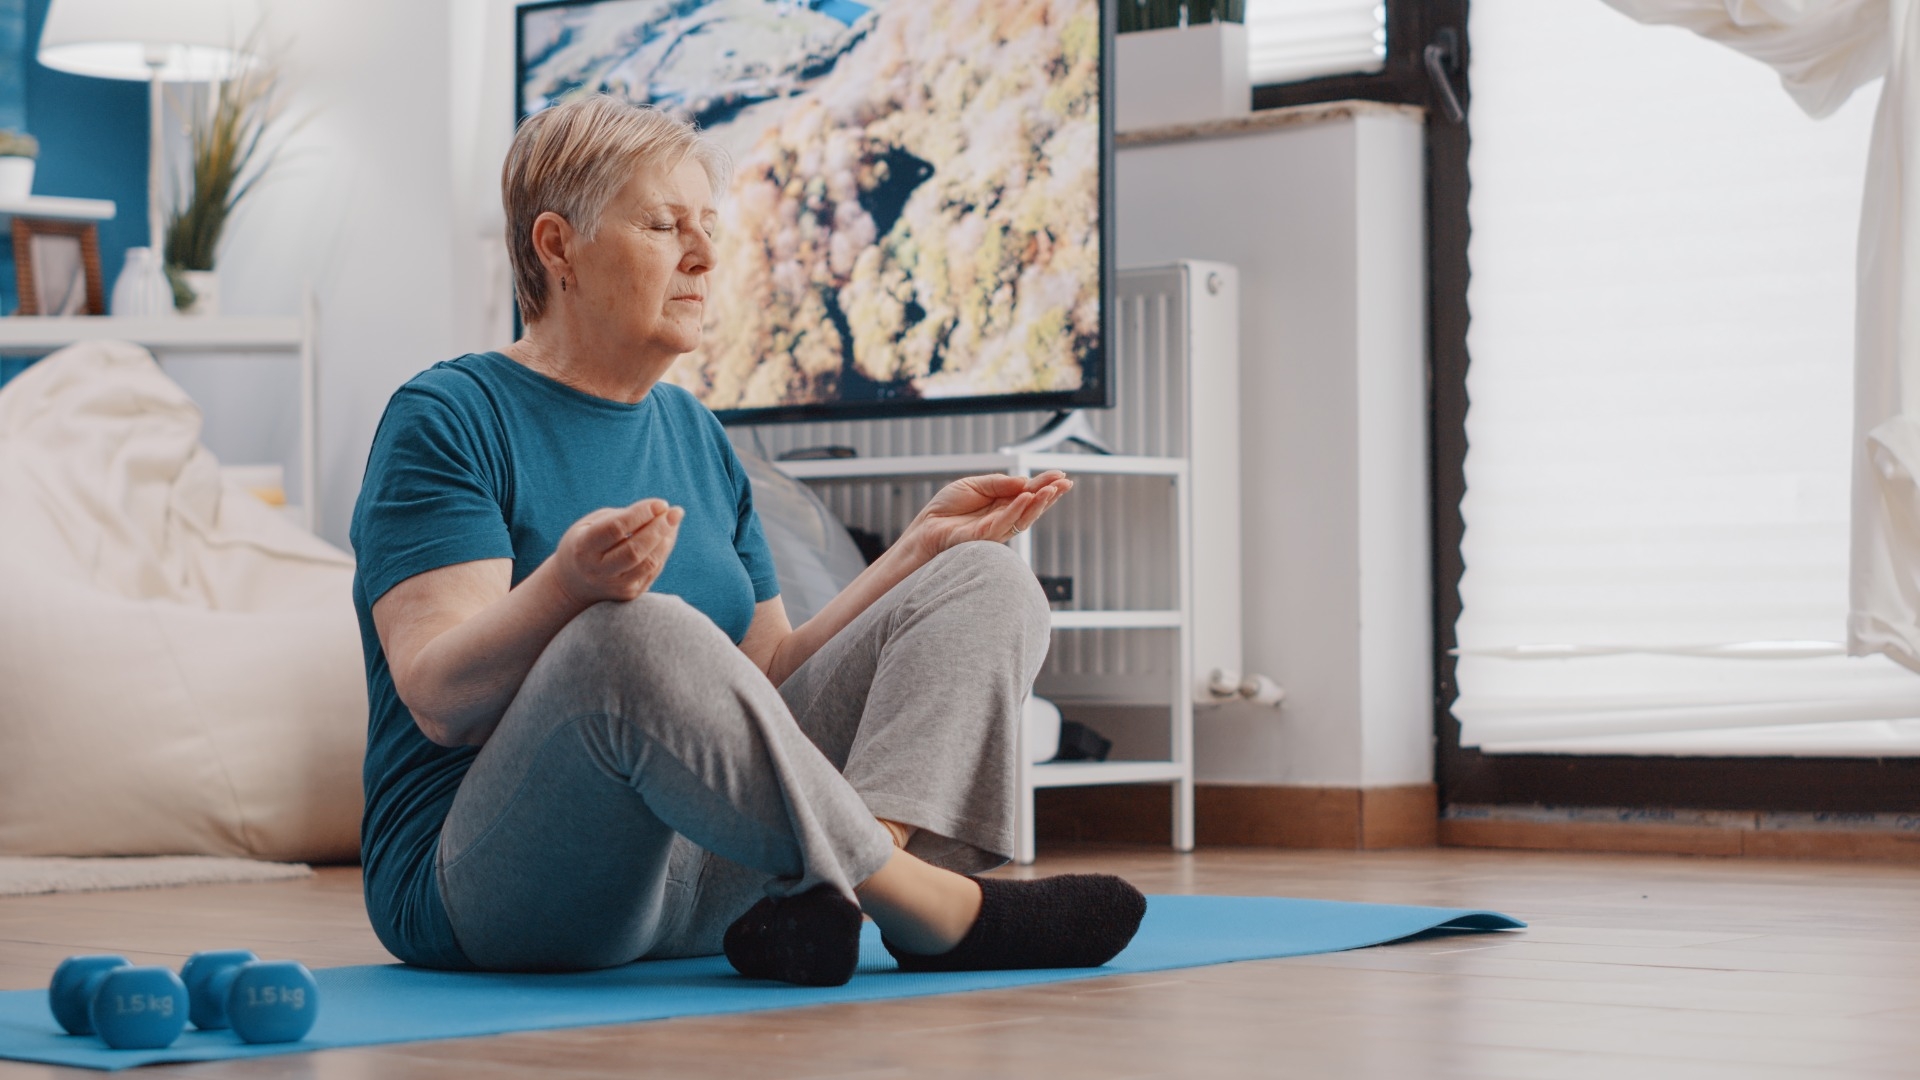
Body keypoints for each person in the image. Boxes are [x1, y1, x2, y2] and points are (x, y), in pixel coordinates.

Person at [348, 94, 1146, 986]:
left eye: (707, 226)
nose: (704, 254)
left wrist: (916, 551)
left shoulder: (694, 431)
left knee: (985, 579)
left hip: (715, 879)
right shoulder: (451, 418)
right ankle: (927, 906)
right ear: (556, 245)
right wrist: (568, 588)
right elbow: (439, 699)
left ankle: (832, 892)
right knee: (632, 633)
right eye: (662, 224)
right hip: (500, 886)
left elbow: (765, 678)